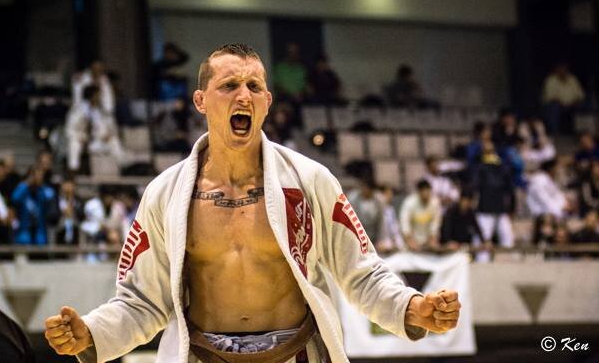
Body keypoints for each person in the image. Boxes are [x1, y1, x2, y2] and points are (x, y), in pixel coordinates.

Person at [45, 44, 461, 363]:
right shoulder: (165, 194)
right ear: (201, 101)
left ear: (267, 102)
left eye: (255, 87)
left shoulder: (311, 181)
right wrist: (92, 333)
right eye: (229, 85)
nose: (243, 96)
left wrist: (412, 306)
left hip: (295, 354)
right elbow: (142, 300)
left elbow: (362, 273)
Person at [470, 141, 515, 259]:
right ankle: (481, 264)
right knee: (482, 238)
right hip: (485, 209)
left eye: (490, 151)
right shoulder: (479, 167)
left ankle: (508, 264)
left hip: (500, 209)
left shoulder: (502, 167)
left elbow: (510, 190)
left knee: (508, 238)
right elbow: (474, 187)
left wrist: (511, 208)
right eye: (486, 151)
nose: (489, 154)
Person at [11, 166, 57, 245]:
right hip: (24, 231)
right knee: (23, 241)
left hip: (40, 232)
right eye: (35, 175)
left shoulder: (45, 190)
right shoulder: (24, 190)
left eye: (40, 175)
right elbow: (14, 198)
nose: (37, 178)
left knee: (40, 242)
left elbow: (51, 197)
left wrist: (41, 187)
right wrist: (27, 183)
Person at [542, 63, 585, 134]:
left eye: (564, 69)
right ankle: (555, 132)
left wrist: (573, 102)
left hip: (572, 104)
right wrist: (562, 103)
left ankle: (580, 132)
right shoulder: (551, 80)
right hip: (557, 104)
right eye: (561, 69)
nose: (563, 71)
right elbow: (550, 96)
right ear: (556, 70)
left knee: (581, 105)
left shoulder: (572, 79)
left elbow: (580, 95)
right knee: (554, 107)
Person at [400, 179, 442, 251]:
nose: (426, 196)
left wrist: (432, 238)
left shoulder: (435, 203)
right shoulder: (409, 203)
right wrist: (409, 240)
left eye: (428, 192)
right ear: (419, 192)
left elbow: (435, 223)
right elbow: (404, 223)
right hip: (412, 244)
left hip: (428, 243)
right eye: (423, 193)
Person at [346, 176, 384, 246]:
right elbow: (349, 221)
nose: (365, 190)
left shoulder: (379, 200)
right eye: (363, 187)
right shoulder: (353, 199)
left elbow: (381, 222)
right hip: (356, 235)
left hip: (373, 236)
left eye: (367, 188)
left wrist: (380, 240)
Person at [375, 185, 404, 253]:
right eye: (388, 194)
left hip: (388, 245)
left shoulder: (390, 210)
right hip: (376, 244)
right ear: (380, 195)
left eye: (391, 194)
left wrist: (398, 244)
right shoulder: (374, 210)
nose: (391, 197)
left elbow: (395, 230)